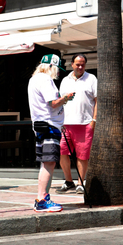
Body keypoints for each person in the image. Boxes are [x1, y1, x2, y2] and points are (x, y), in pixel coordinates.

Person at [28, 54, 75, 212]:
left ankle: (42, 197)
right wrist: (65, 98)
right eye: (57, 69)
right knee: (49, 162)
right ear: (50, 67)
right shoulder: (45, 80)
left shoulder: (34, 79)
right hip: (49, 125)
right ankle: (42, 200)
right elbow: (53, 103)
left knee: (45, 163)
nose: (58, 73)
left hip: (41, 124)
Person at [56, 54, 97, 195]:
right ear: (72, 64)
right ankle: (69, 181)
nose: (80, 67)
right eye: (78, 64)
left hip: (85, 123)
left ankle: (80, 183)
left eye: (83, 64)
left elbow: (97, 101)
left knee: (82, 155)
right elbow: (60, 101)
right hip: (66, 124)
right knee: (62, 152)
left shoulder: (91, 79)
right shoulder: (65, 80)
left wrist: (94, 121)